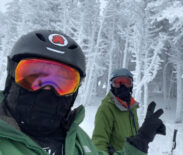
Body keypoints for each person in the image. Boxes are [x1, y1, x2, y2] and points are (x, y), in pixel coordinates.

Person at [0, 30, 166, 155]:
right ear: (11, 76)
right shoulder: (106, 108)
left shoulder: (77, 139)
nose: (48, 89)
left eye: (63, 82)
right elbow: (100, 140)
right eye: (33, 76)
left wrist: (140, 141)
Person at [92, 68, 139, 154]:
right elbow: (99, 142)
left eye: (127, 82)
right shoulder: (106, 108)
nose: (123, 86)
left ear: (131, 85)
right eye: (118, 83)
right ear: (112, 86)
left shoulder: (132, 107)